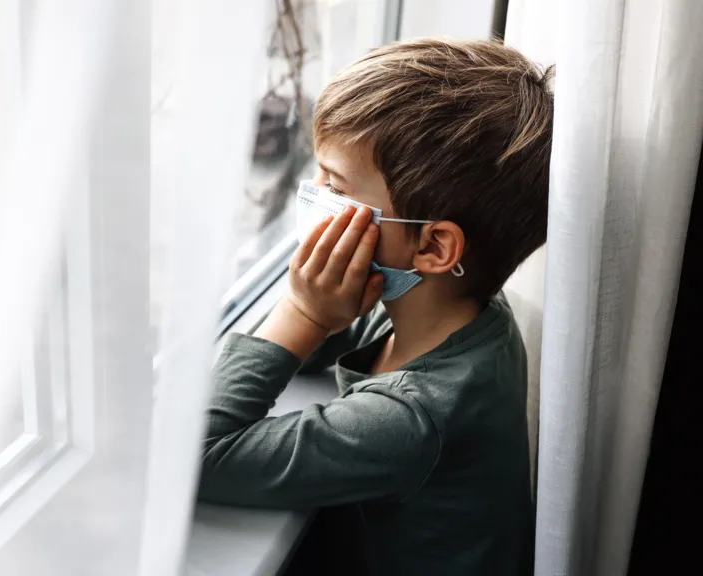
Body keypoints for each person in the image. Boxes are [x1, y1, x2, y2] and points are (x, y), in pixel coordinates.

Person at [197, 38, 552, 575]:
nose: (311, 192)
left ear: (433, 248)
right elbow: (329, 343)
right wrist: (322, 307)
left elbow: (196, 456)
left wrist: (304, 313)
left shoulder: (410, 417)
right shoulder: (460, 308)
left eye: (334, 185)